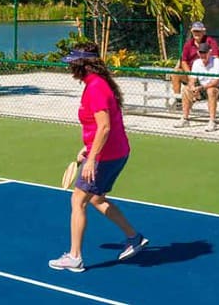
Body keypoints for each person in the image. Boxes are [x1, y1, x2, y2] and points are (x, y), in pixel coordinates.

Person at [48, 43, 147, 273]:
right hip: (113, 152)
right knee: (95, 199)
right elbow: (99, 127)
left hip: (106, 156)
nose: (69, 67)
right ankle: (134, 237)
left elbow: (104, 127)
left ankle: (74, 257)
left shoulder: (95, 88)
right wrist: (88, 148)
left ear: (83, 64)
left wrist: (92, 158)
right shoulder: (96, 84)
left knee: (78, 200)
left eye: (72, 63)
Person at [176, 42, 219, 131]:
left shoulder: (216, 61)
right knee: (185, 89)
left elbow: (216, 81)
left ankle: (212, 121)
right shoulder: (196, 62)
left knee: (211, 90)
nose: (203, 55)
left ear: (209, 52)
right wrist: (192, 87)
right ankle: (185, 118)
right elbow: (192, 79)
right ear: (198, 53)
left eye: (205, 52)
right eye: (201, 52)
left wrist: (201, 88)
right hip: (202, 88)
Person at [170, 21, 219, 101]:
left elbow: (215, 58)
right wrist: (190, 74)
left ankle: (194, 96)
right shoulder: (188, 44)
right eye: (195, 31)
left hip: (206, 74)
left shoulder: (211, 42)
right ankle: (178, 100)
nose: (197, 33)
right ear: (192, 32)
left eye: (199, 31)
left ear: (204, 32)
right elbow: (184, 61)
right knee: (175, 72)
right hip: (191, 74)